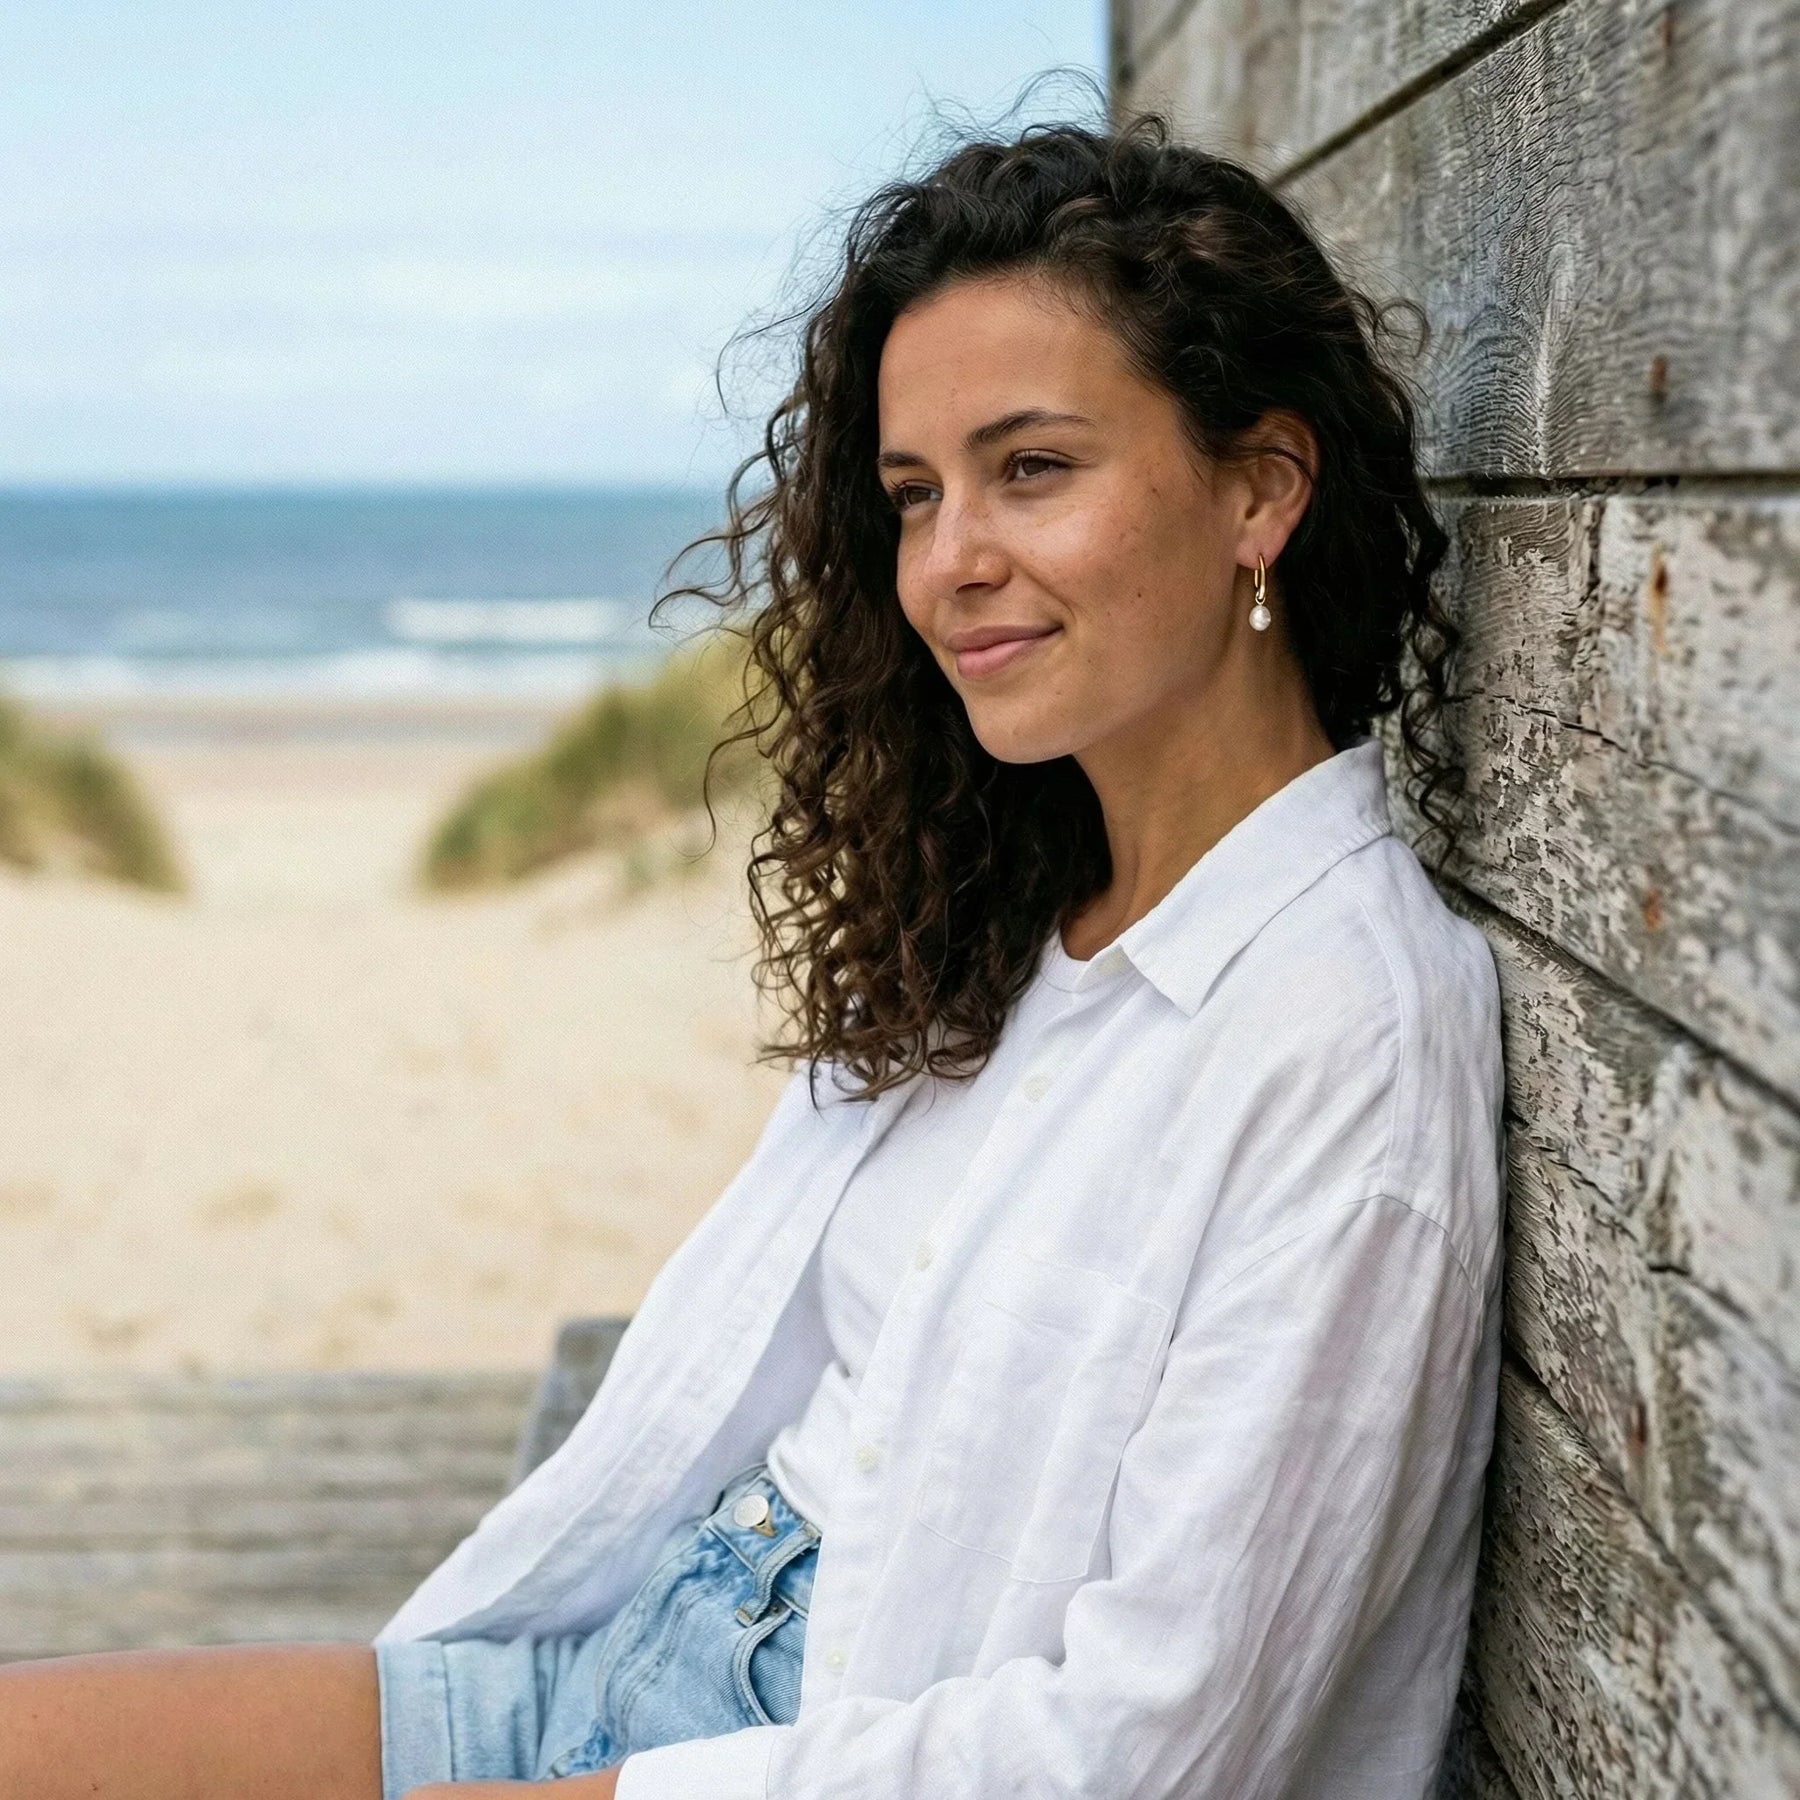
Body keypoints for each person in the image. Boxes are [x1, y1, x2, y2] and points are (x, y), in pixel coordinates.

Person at [0, 114, 1504, 1800]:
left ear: (1260, 491)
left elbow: (1156, 1743)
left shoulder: (1343, 1032)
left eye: (1033, 469)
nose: (949, 565)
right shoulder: (1018, 918)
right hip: (617, 1659)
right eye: (915, 495)